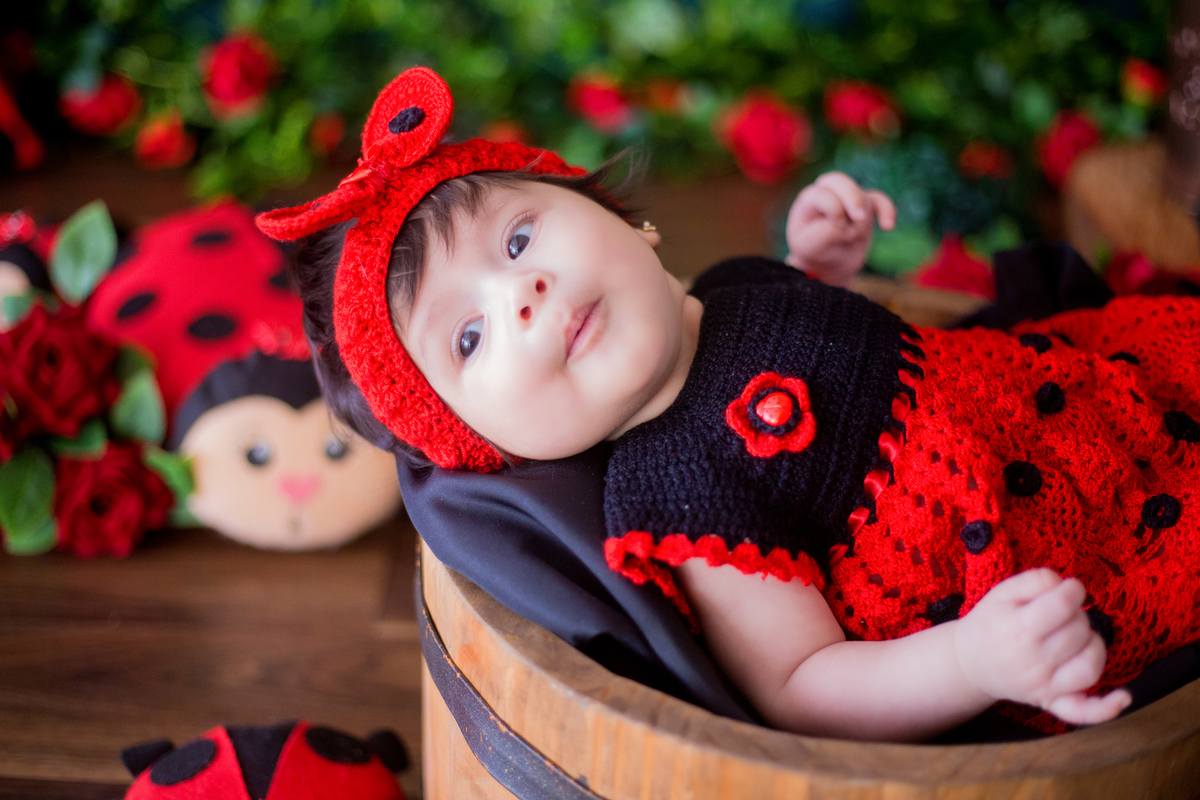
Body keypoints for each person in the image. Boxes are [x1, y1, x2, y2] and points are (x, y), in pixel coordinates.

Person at [258, 67, 1200, 741]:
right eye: (469, 339)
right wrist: (970, 662)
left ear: (624, 222)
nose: (523, 294)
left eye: (516, 241)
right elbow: (799, 686)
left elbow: (817, 348)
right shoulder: (680, 493)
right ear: (488, 443)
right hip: (1033, 550)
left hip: (1060, 393)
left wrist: (816, 269)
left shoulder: (734, 287)